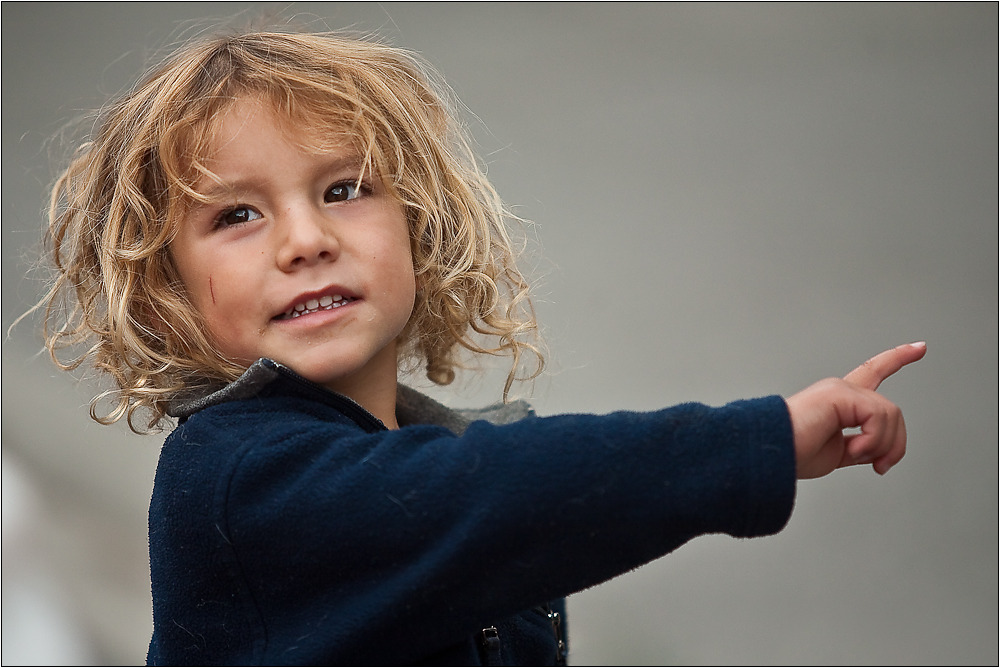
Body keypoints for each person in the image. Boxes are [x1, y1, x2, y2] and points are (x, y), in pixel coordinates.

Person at [36, 31, 925, 665]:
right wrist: (756, 440)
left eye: (345, 188)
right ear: (164, 295)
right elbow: (487, 497)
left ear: (421, 230)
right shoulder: (236, 486)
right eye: (237, 215)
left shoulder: (434, 458)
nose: (303, 239)